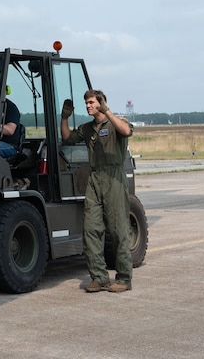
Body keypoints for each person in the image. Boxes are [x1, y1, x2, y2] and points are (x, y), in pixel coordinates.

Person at [60, 88, 133, 293]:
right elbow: (67, 138)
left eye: (92, 102)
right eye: (87, 103)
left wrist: (108, 111)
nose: (88, 106)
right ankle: (99, 278)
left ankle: (124, 278)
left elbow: (126, 131)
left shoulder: (114, 123)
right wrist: (64, 118)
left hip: (114, 178)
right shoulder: (87, 128)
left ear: (101, 102)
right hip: (94, 178)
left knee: (118, 230)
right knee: (91, 229)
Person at [0, 80, 24, 159]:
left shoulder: (11, 108)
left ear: (6, 90)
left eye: (0, 89)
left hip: (10, 145)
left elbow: (10, 130)